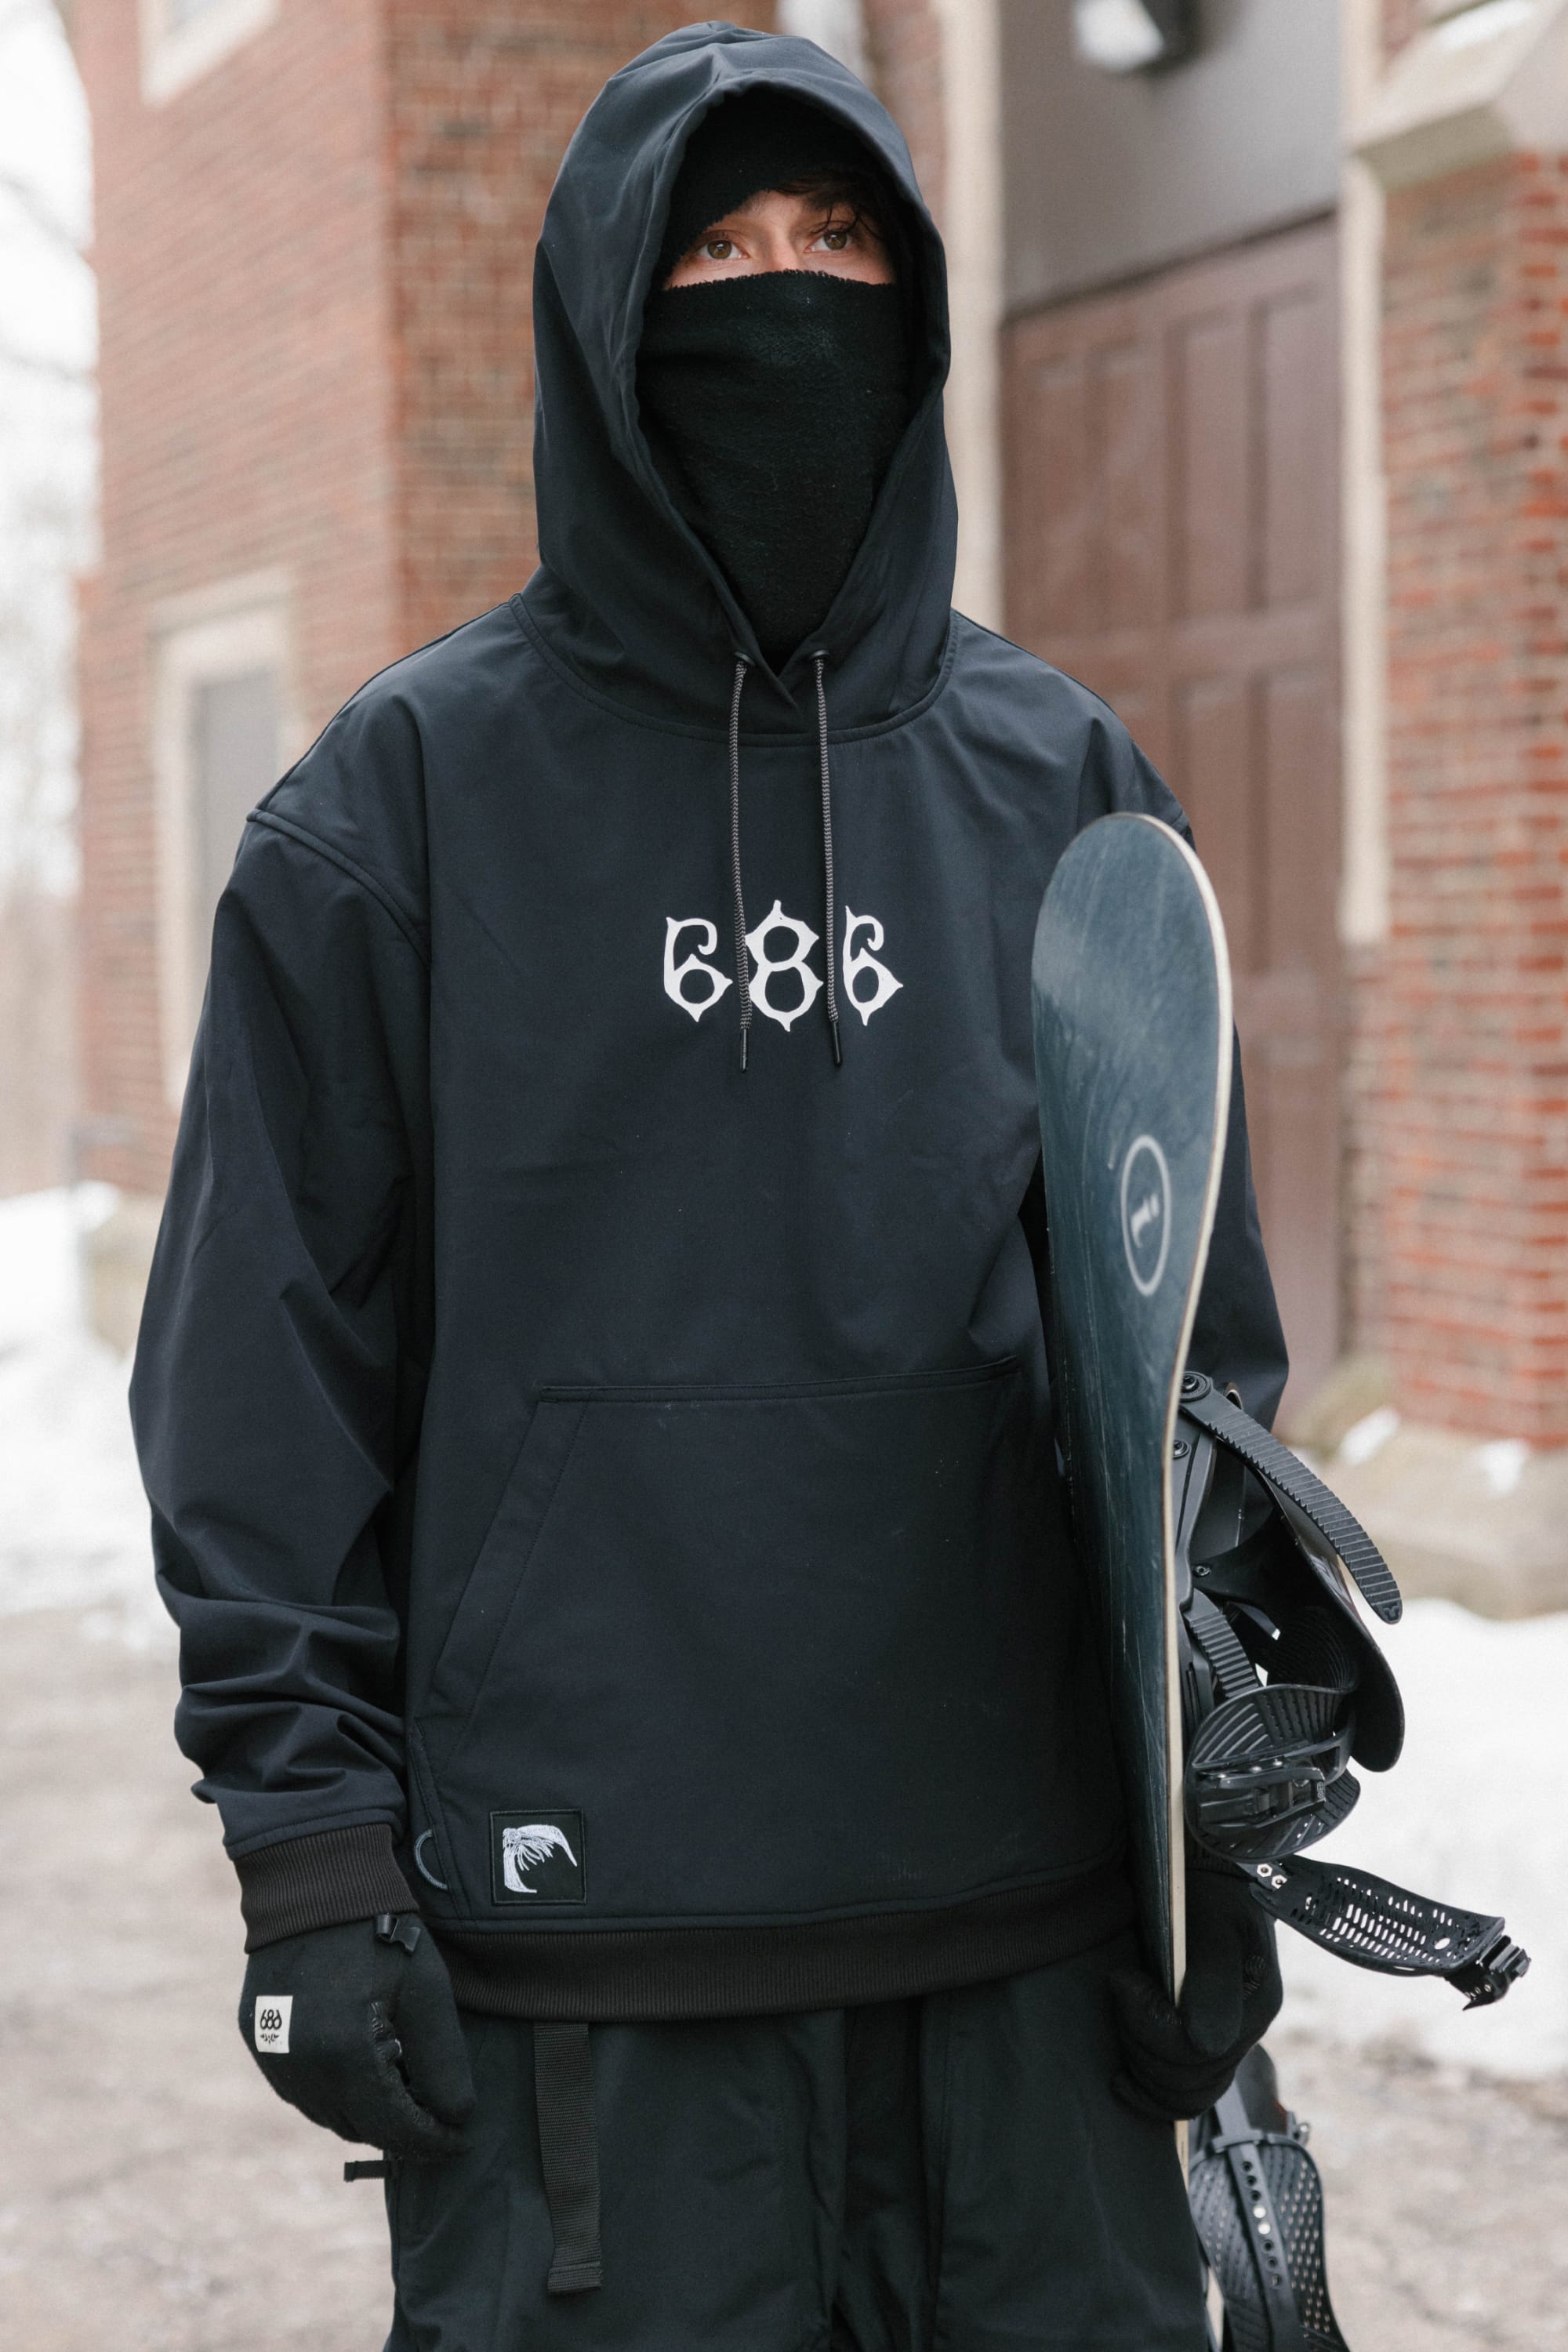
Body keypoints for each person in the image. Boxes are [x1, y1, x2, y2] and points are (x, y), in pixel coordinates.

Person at [131, 22, 1287, 2350]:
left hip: (1029, 1974)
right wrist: (310, 1850)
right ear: (599, 320)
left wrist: (1212, 1803)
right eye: (722, 252)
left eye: (836, 241)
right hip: (592, 1997)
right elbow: (262, 1378)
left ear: (922, 306)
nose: (786, 296)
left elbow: (1188, 1354)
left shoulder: (1057, 782)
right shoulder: (404, 813)